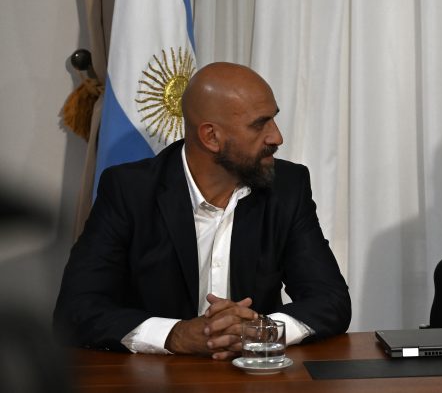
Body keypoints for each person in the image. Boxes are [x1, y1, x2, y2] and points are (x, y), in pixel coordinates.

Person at [54, 62, 351, 356]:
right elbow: (76, 309)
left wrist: (261, 330)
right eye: (260, 124)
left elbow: (331, 299)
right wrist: (175, 335)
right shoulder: (130, 191)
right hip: (154, 376)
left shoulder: (287, 186)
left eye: (273, 119)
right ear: (211, 137)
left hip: (255, 374)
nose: (276, 137)